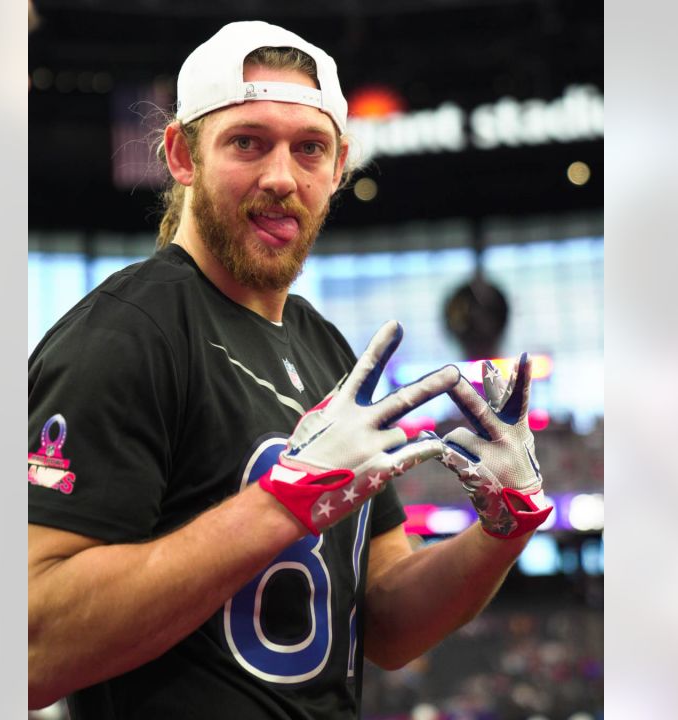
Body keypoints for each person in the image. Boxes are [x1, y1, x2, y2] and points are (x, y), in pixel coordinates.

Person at [27, 20, 553, 719]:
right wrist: (280, 503)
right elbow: (30, 647)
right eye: (247, 142)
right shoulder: (130, 331)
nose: (281, 177)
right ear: (182, 155)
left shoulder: (327, 349)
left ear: (338, 169)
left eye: (309, 149)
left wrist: (503, 531)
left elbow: (389, 620)